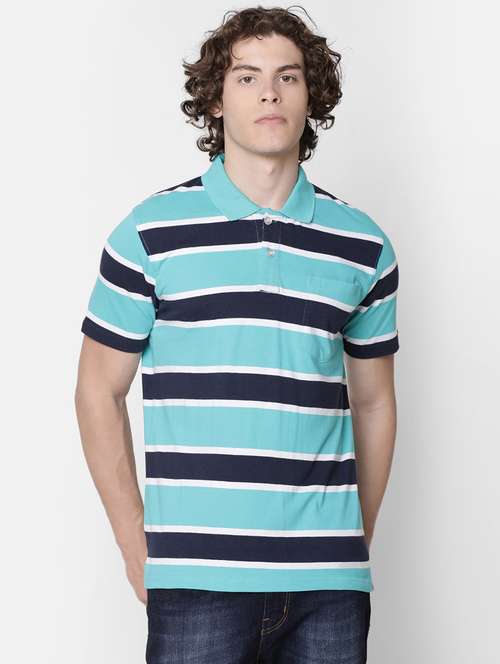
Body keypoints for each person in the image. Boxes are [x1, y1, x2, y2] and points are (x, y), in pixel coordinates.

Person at [75, 6, 400, 663]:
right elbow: (96, 392)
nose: (269, 93)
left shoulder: (363, 245)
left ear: (311, 96)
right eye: (247, 77)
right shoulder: (149, 234)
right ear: (216, 100)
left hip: (329, 587)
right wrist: (135, 544)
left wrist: (351, 540)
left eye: (288, 76)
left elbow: (374, 402)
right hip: (196, 580)